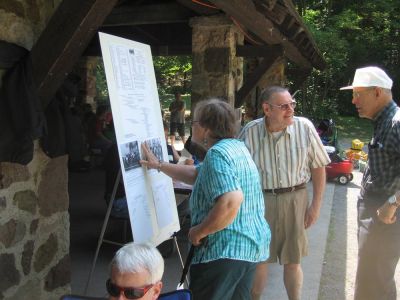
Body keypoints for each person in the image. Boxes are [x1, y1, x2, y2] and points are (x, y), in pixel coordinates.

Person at [140, 98, 270, 300]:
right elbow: (195, 173)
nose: (193, 126)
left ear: (206, 129)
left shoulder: (217, 154)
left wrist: (198, 232)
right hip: (249, 249)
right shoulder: (237, 148)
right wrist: (158, 165)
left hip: (223, 252)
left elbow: (231, 200)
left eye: (195, 122)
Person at [238, 86, 330, 300]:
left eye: (292, 104)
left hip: (295, 198)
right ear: (267, 109)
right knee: (260, 259)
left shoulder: (304, 128)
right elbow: (237, 168)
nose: (290, 110)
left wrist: (315, 206)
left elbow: (318, 168)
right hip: (260, 201)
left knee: (293, 259)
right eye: (284, 106)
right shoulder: (250, 131)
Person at [340, 66, 400, 300]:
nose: (354, 101)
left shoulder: (396, 123)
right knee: (374, 278)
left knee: (372, 283)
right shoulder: (382, 121)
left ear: (377, 92)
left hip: (386, 215)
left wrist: (393, 203)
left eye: (358, 94)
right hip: (377, 210)